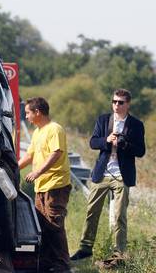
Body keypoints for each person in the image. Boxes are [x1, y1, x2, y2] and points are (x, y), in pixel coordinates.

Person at [70, 89, 145, 265]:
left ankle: (119, 255)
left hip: (121, 176)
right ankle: (85, 249)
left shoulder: (136, 124)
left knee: (120, 216)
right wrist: (107, 140)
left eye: (120, 102)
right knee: (91, 212)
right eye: (114, 101)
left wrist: (123, 143)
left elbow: (141, 151)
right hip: (101, 174)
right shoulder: (103, 120)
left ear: (128, 104)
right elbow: (92, 142)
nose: (116, 105)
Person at [18, 97, 71, 273]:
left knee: (55, 224)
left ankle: (62, 264)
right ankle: (48, 263)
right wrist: (13, 168)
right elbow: (30, 155)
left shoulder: (54, 129)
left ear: (37, 112)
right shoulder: (37, 132)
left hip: (55, 185)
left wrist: (38, 172)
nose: (26, 117)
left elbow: (56, 153)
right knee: (43, 225)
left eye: (27, 113)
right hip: (41, 186)